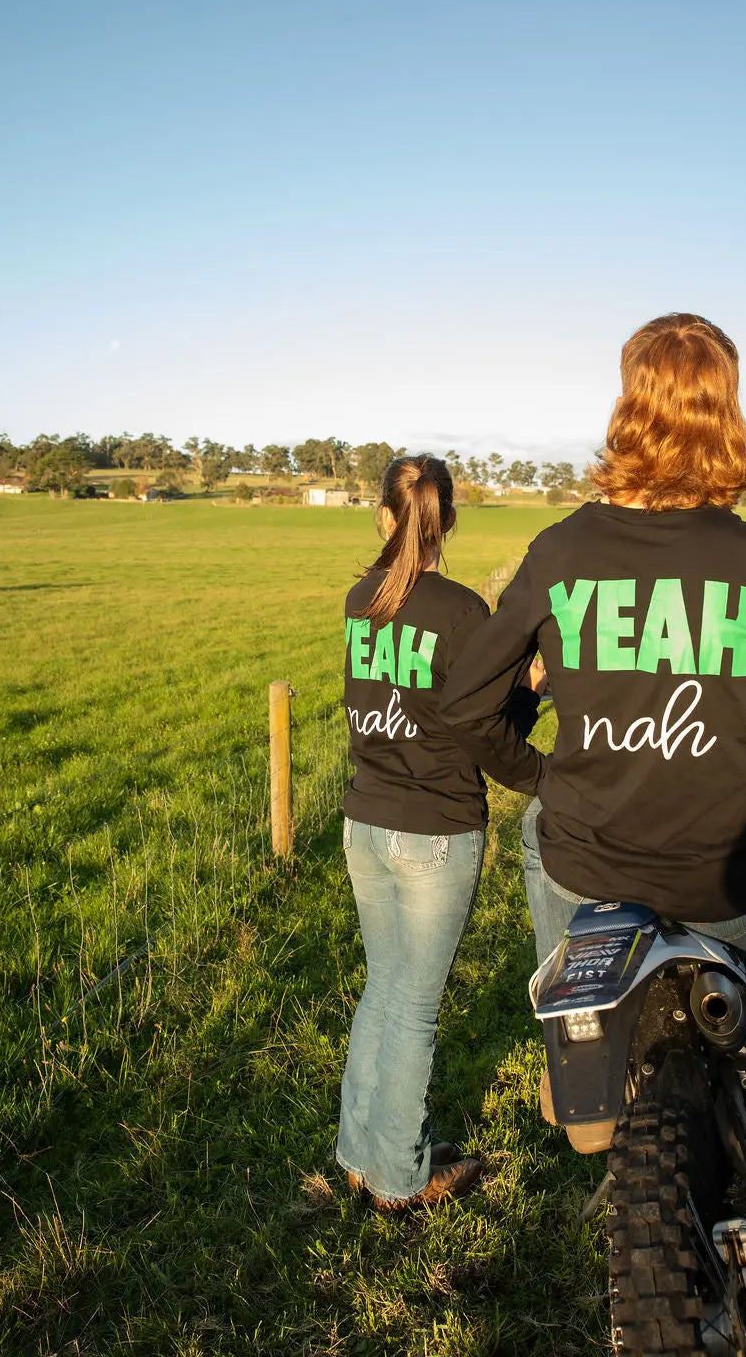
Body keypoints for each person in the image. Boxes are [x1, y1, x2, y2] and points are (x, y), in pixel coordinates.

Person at [440, 313, 746, 1236]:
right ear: (726, 414)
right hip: (722, 871)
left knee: (543, 837)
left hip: (588, 861)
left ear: (628, 408)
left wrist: (539, 775)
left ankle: (580, 1070)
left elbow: (462, 705)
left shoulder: (562, 549)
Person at [337, 453, 546, 1210]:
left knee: (383, 988)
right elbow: (483, 730)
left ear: (384, 517)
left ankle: (363, 1151)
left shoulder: (361, 600)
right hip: (432, 831)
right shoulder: (464, 613)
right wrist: (535, 722)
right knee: (414, 1007)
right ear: (446, 521)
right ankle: (399, 1176)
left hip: (366, 821)